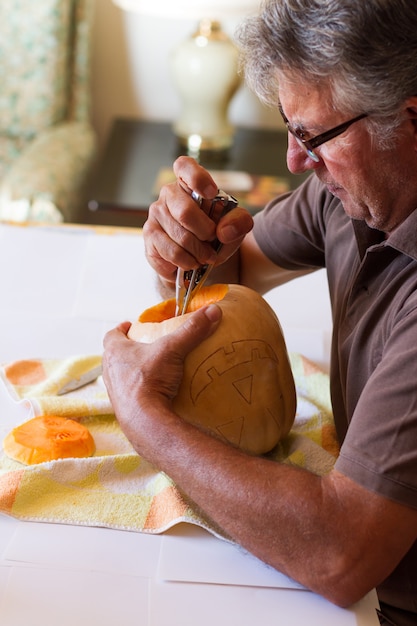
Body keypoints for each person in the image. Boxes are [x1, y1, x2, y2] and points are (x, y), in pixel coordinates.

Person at [102, 1, 417, 624]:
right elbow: (237, 269)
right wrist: (190, 245)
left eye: (313, 136)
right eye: (288, 126)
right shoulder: (363, 188)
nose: (295, 162)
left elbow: (340, 554)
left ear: (410, 118)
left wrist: (146, 419)